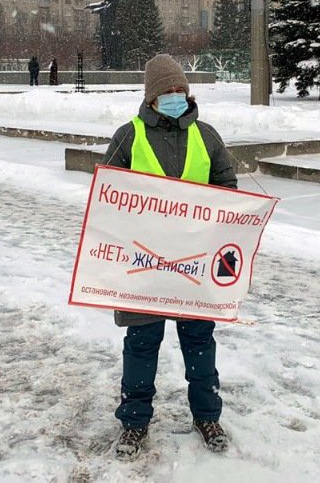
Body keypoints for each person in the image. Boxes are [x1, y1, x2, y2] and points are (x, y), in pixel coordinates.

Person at [101, 53, 237, 460]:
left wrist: (213, 214)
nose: (176, 96)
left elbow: (226, 183)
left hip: (194, 264)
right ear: (152, 96)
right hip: (144, 265)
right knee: (142, 343)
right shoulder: (129, 135)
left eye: (181, 90)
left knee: (199, 342)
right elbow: (108, 192)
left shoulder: (206, 135)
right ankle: (134, 422)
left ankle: (207, 415)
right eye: (167, 91)